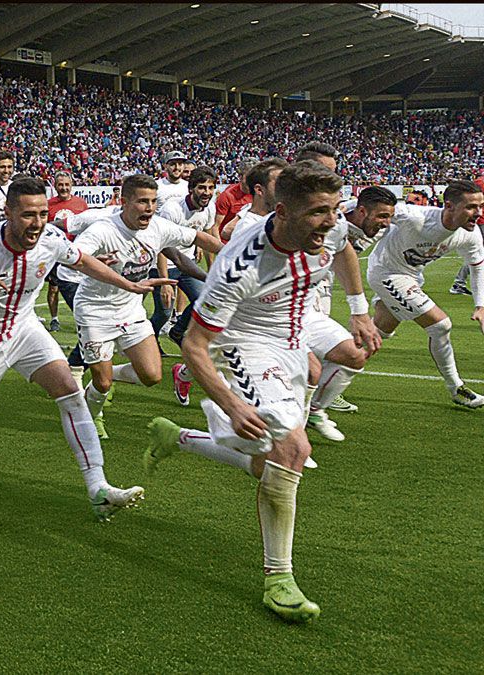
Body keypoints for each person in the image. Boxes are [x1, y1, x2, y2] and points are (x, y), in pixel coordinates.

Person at [144, 162, 349, 624]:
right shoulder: (241, 266)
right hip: (238, 346)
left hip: (289, 344)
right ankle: (280, 579)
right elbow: (194, 344)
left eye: (334, 210)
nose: (331, 221)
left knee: (268, 464)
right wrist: (232, 403)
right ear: (282, 213)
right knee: (292, 449)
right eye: (320, 212)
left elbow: (347, 249)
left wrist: (357, 309)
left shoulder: (327, 232)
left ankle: (178, 439)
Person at [0, 176, 146, 520]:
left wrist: (128, 284)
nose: (38, 222)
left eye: (42, 213)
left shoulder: (52, 240)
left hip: (25, 330)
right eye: (28, 214)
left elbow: (84, 261)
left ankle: (98, 487)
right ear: (7, 213)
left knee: (70, 392)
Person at [72, 174, 223, 438]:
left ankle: (106, 376)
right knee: (102, 382)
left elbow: (198, 237)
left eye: (153, 201)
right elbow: (76, 257)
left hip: (130, 310)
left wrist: (236, 253)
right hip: (95, 310)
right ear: (124, 202)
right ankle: (91, 418)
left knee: (152, 376)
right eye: (143, 202)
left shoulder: (158, 226)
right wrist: (101, 264)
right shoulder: (103, 229)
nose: (150, 208)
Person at [367, 179, 484, 408]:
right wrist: (338, 209)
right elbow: (370, 205)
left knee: (378, 332)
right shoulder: (415, 217)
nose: (478, 213)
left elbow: (477, 266)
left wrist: (480, 305)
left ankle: (331, 373)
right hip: (386, 272)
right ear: (449, 206)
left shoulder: (470, 234)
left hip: (412, 277)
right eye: (471, 207)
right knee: (440, 325)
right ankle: (456, 387)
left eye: (480, 207)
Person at [299, 185, 397, 434]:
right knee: (307, 364)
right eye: (382, 217)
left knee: (350, 353)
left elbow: (344, 252)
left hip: (322, 287)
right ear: (362, 211)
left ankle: (315, 408)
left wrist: (359, 310)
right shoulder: (333, 217)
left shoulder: (364, 227)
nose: (386, 223)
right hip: (291, 296)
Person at [152, 166, 218, 347]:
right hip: (164, 263)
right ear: (191, 189)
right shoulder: (172, 210)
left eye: (210, 188)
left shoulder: (209, 208)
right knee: (164, 313)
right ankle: (149, 340)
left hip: (186, 264)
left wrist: (214, 267)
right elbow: (161, 246)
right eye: (202, 188)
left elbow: (208, 237)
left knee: (204, 298)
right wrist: (165, 281)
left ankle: (178, 331)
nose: (207, 192)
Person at [44, 171, 89, 333]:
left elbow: (86, 227)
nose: (64, 188)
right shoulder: (48, 204)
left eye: (66, 185)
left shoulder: (81, 204)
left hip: (76, 252)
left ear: (71, 185)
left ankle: (81, 319)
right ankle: (54, 319)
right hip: (55, 253)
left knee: (80, 286)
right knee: (54, 288)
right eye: (60, 185)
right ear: (55, 186)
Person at [220, 158, 287, 241]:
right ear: (259, 190)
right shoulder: (247, 229)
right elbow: (224, 231)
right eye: (278, 184)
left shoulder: (279, 215)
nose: (285, 189)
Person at [448, 175, 484, 295]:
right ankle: (459, 283)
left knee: (477, 255)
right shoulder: (480, 183)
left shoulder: (478, 182)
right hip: (480, 222)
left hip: (477, 221)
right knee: (477, 254)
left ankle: (459, 283)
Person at [214, 159, 256, 242]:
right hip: (229, 243)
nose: (252, 182)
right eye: (249, 178)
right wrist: (222, 250)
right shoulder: (227, 196)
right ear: (240, 176)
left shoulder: (260, 194)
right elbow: (215, 227)